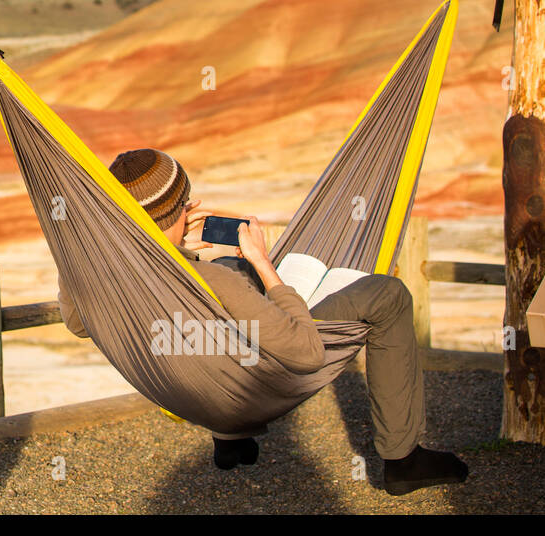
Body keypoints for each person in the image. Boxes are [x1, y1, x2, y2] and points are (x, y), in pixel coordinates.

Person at [57, 147, 469, 496]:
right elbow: (307, 353)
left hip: (184, 390)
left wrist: (180, 253)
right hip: (244, 392)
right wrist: (263, 263)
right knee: (388, 295)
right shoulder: (213, 280)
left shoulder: (106, 278)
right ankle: (403, 459)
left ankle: (231, 443)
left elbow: (78, 324)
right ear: (184, 207)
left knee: (233, 275)